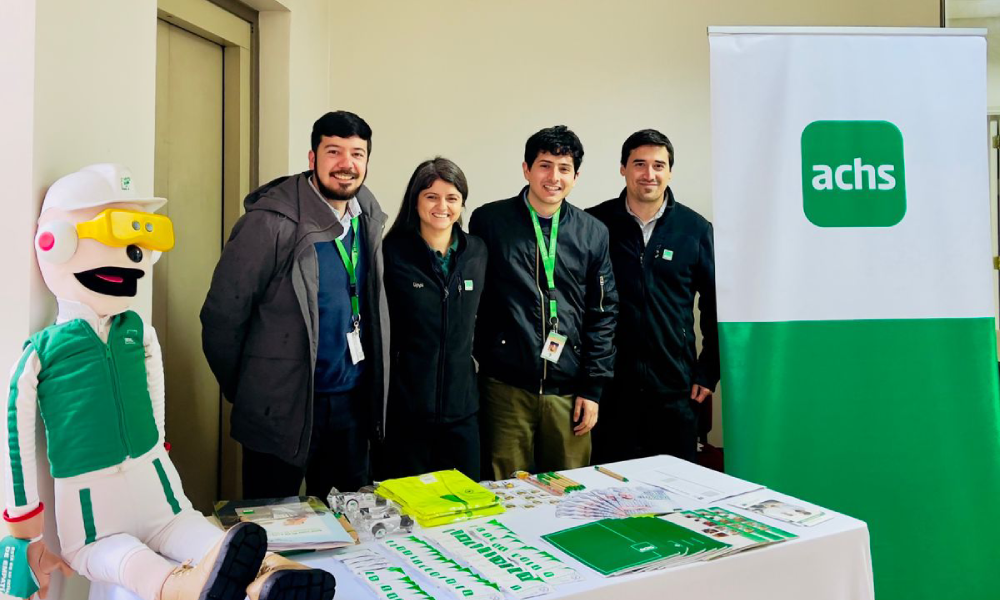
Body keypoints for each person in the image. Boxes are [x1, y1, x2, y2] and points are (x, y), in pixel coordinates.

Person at [3, 163, 333, 600]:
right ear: (54, 241)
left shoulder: (138, 331)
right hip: (91, 501)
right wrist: (24, 529)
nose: (134, 259)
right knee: (115, 554)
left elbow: (156, 397)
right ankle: (184, 585)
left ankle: (270, 572)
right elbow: (16, 431)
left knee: (194, 532)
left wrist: (159, 451)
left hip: (154, 480)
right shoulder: (45, 350)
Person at [201, 111, 390, 499]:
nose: (346, 164)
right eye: (333, 151)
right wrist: (254, 389)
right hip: (281, 409)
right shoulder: (271, 222)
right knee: (276, 522)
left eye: (357, 154)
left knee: (346, 522)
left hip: (351, 407)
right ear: (312, 157)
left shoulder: (367, 216)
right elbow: (222, 319)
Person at [470, 125, 617, 480]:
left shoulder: (593, 232)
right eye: (545, 165)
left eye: (564, 168)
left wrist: (593, 389)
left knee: (571, 489)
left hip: (569, 391)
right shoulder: (490, 222)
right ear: (526, 169)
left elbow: (603, 313)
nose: (554, 177)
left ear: (576, 177)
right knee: (505, 488)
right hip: (505, 388)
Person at [587, 129, 719, 463]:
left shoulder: (695, 229)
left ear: (670, 172)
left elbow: (715, 304)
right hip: (611, 388)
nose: (649, 174)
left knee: (677, 485)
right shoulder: (595, 224)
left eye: (659, 165)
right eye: (639, 164)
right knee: (611, 485)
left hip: (675, 388)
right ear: (623, 168)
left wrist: (708, 371)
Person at [380, 158, 487, 480]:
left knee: (466, 501)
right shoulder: (390, 254)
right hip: (406, 412)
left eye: (452, 198)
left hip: (462, 410)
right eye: (431, 197)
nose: (442, 206)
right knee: (408, 503)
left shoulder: (477, 252)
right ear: (415, 201)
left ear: (462, 203)